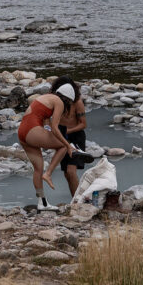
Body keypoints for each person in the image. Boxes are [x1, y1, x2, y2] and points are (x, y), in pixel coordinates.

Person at [17, 81, 91, 211]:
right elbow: (55, 129)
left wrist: (47, 132)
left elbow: (45, 120)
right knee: (63, 146)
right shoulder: (59, 102)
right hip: (32, 130)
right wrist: (67, 145)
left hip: (22, 132)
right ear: (67, 99)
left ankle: (42, 202)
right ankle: (49, 173)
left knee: (38, 169)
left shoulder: (46, 97)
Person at [51, 75, 88, 197]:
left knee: (71, 171)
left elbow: (83, 124)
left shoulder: (77, 102)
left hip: (76, 137)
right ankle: (75, 199)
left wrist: (68, 131)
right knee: (67, 174)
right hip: (62, 137)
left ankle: (78, 200)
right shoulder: (55, 100)